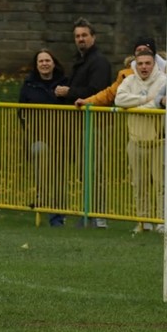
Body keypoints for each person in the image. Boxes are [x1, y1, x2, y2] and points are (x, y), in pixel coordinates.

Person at [53, 18, 113, 227]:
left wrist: (70, 92)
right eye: (77, 36)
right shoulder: (80, 61)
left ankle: (98, 216)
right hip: (81, 125)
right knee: (84, 170)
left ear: (93, 37)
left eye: (84, 35)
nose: (80, 39)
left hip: (96, 124)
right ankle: (88, 211)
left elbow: (97, 91)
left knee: (95, 170)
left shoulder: (99, 62)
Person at [115, 46, 167, 233]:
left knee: (162, 184)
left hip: (159, 141)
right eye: (141, 64)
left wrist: (137, 104)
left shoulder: (163, 80)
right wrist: (144, 99)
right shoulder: (129, 80)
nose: (144, 67)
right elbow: (119, 100)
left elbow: (156, 104)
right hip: (135, 140)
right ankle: (143, 221)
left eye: (148, 63)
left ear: (154, 64)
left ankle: (162, 221)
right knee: (139, 183)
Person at [19, 48, 70, 225]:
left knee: (58, 177)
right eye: (41, 61)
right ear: (36, 65)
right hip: (38, 138)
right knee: (44, 161)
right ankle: (44, 201)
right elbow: (21, 111)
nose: (44, 64)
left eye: (47, 60)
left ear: (54, 63)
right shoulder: (29, 84)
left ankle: (58, 216)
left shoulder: (64, 83)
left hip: (60, 138)